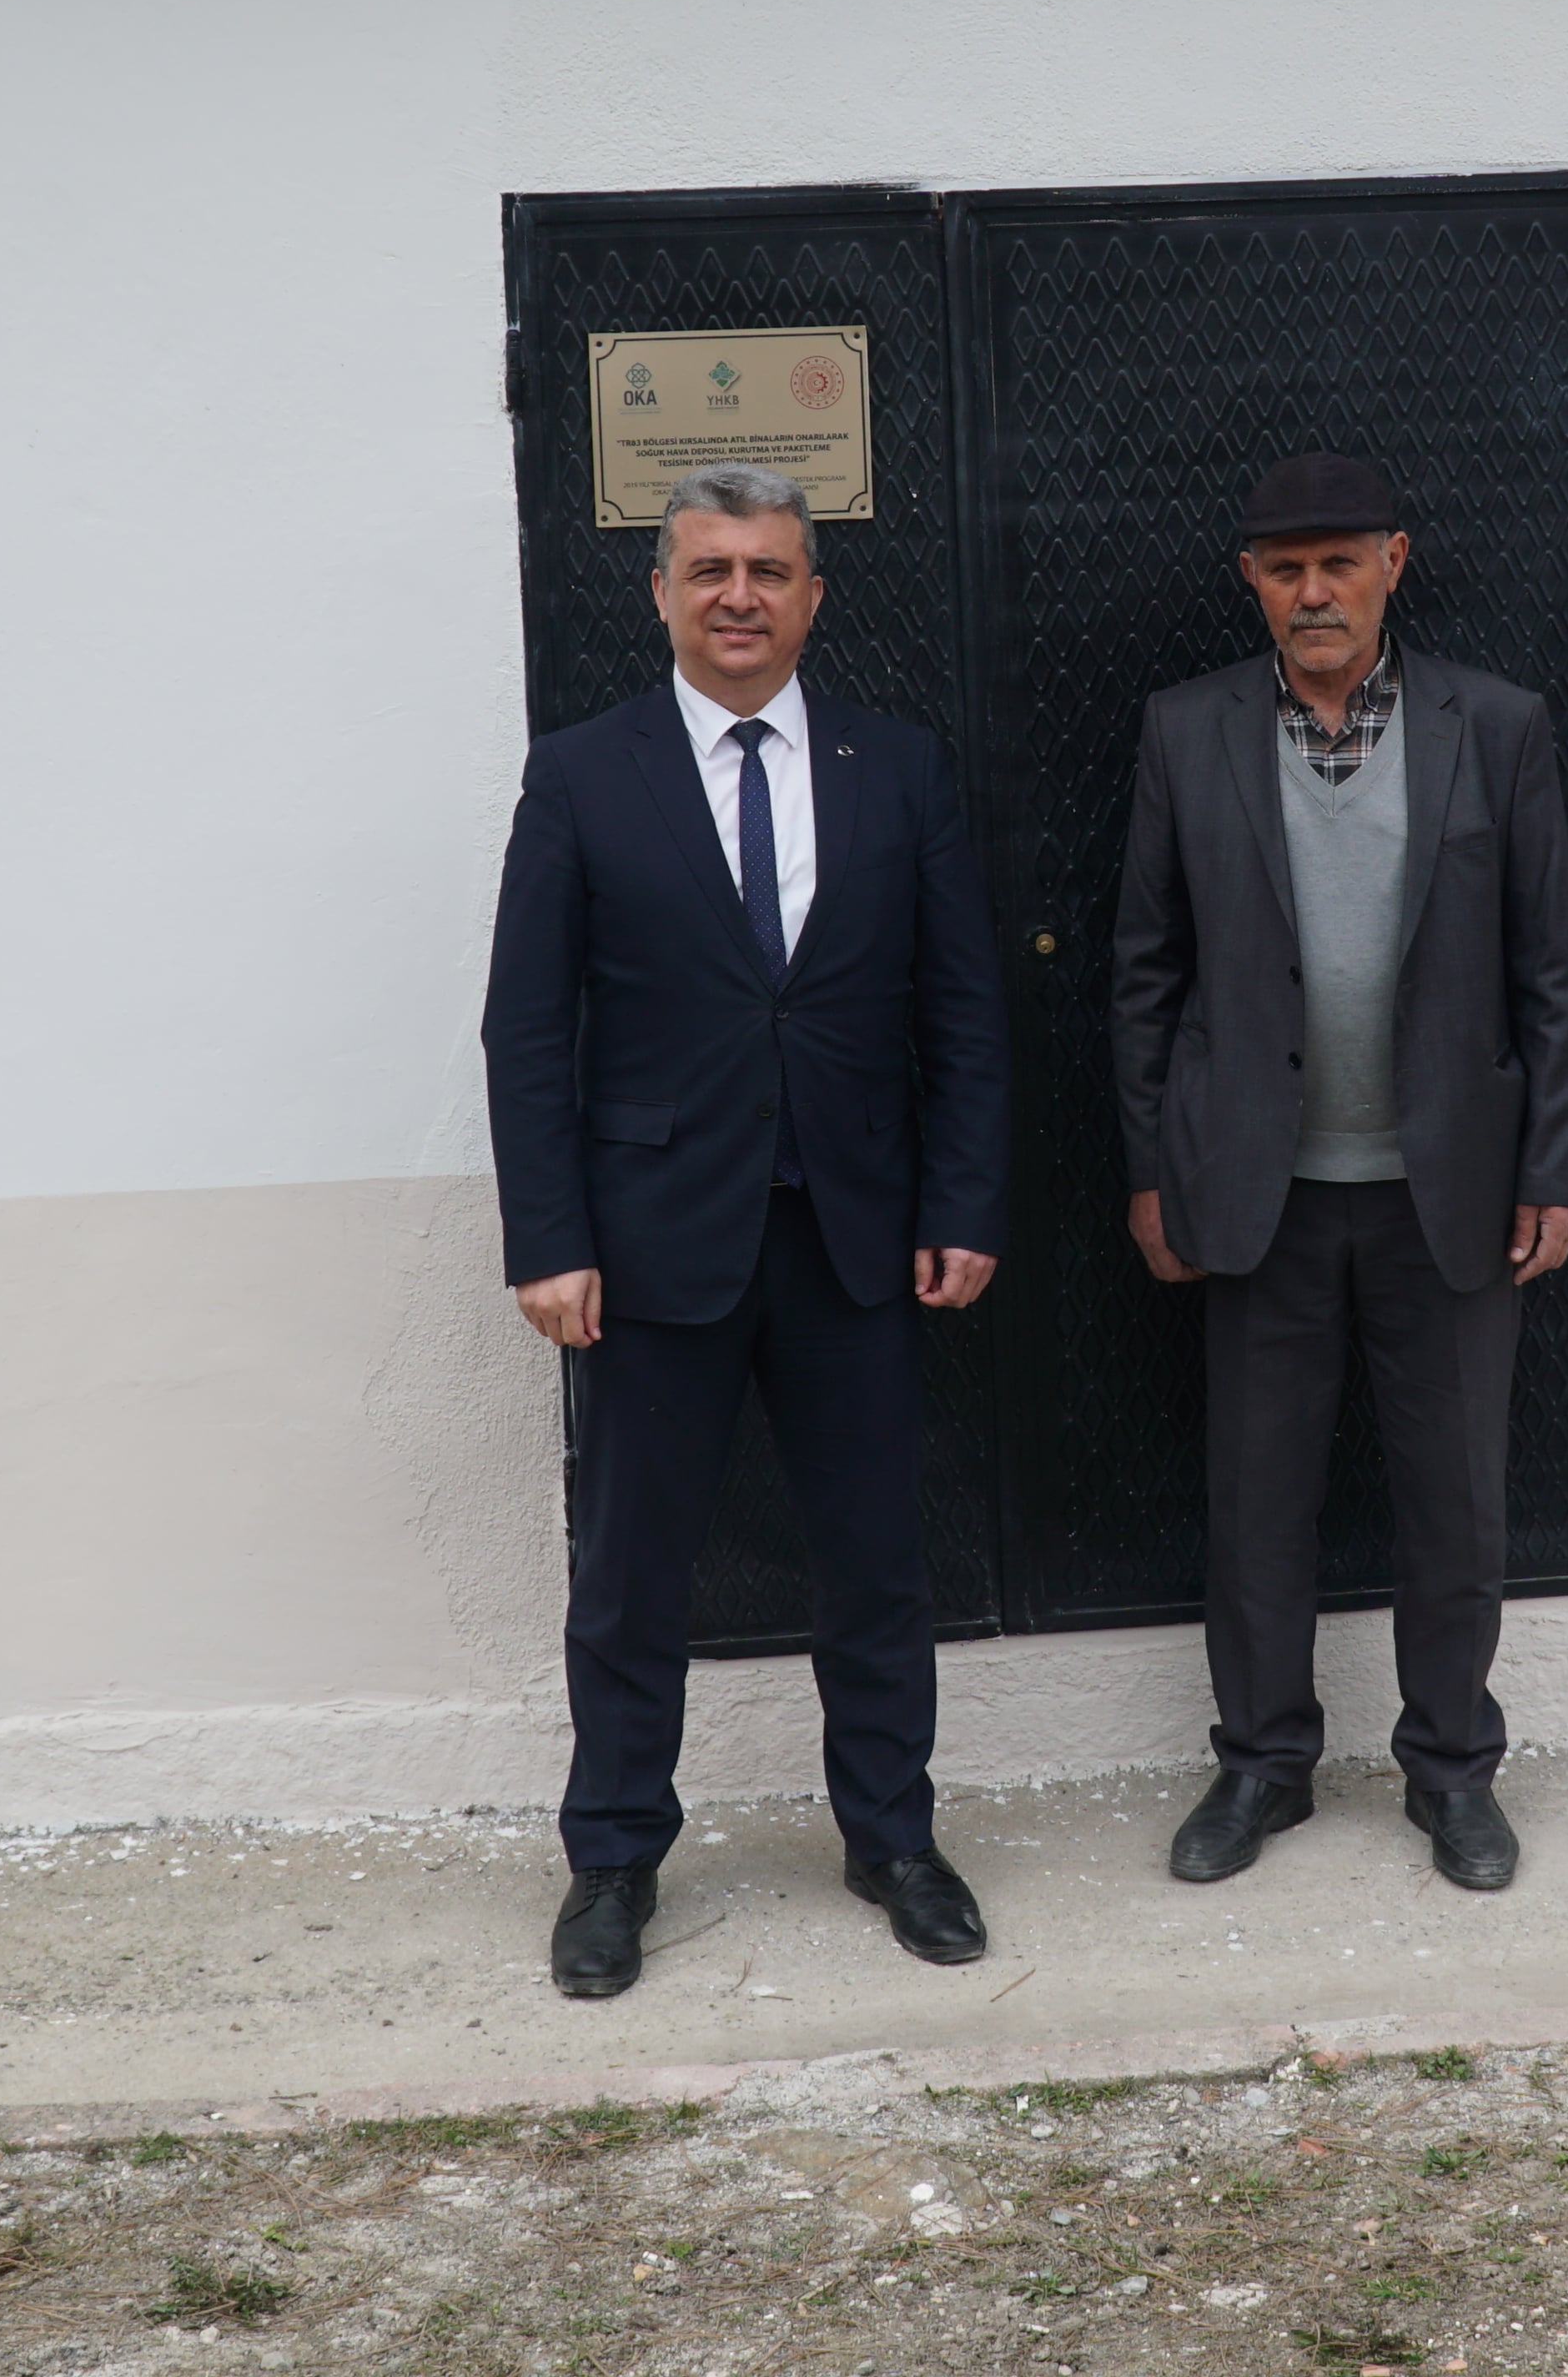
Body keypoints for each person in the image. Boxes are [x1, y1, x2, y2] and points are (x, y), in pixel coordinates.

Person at [480, 462, 1010, 1999]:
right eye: (708, 569)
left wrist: (964, 1199)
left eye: (768, 571)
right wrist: (548, 1238)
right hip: (650, 1246)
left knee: (876, 1562)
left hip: (856, 1238)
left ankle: (894, 1841)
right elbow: (530, 1030)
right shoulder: (583, 775)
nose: (737, 596)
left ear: (811, 597)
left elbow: (963, 1013)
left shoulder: (895, 768)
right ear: (660, 591)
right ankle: (613, 1861)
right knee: (633, 1575)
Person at [1107, 450, 1568, 1895]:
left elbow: (1553, 975)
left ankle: (1453, 1771)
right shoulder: (1186, 730)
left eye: (1338, 563)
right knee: (1257, 1503)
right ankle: (1263, 1765)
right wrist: (1155, 1169)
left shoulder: (1493, 726)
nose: (1313, 592)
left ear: (1394, 562)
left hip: (1452, 1189)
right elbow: (1146, 973)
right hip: (1257, 1190)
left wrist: (1556, 1167)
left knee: (1457, 1502)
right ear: (1250, 582)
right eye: (1285, 569)